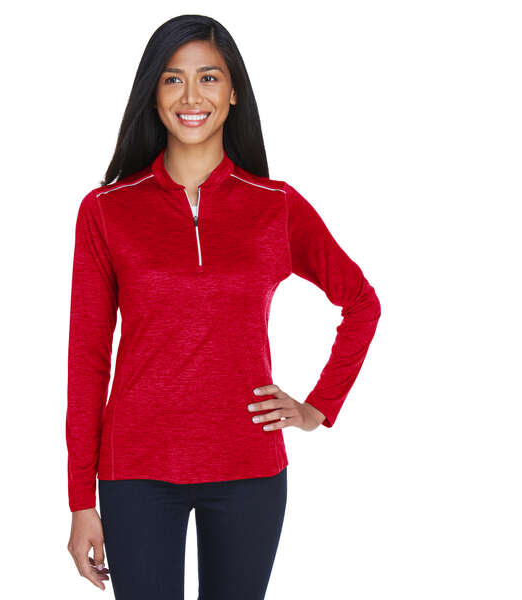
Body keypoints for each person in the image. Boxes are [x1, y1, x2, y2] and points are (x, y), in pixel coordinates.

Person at [66, 14, 381, 600]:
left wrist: (317, 408)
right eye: (173, 79)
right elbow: (87, 360)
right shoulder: (107, 210)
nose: (192, 96)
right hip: (136, 469)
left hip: (249, 470)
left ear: (233, 92)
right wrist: (80, 499)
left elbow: (362, 303)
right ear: (152, 94)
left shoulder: (275, 206)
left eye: (208, 77)